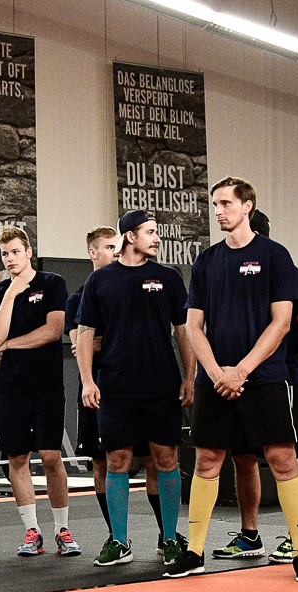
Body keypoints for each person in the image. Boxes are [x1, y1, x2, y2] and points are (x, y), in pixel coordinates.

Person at [172, 176, 298, 582]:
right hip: (215, 381)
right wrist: (218, 372)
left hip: (265, 376)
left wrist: (242, 371)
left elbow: (283, 322)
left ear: (247, 206)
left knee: (281, 458)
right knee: (207, 459)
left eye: (225, 204)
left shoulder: (274, 256)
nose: (218, 211)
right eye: (214, 204)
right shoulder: (206, 261)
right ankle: (195, 552)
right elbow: (193, 326)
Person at [76, 210, 194, 567]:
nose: (157, 239)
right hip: (116, 387)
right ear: (131, 237)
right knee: (117, 461)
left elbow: (184, 331)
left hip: (161, 385)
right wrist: (86, 380)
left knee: (166, 459)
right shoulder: (101, 281)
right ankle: (118, 541)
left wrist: (189, 377)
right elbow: (84, 334)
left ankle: (170, 539)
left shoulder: (168, 277)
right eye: (151, 233)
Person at [209, 210, 298, 563]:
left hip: (275, 376)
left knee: (282, 458)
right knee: (243, 457)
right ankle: (249, 535)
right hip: (233, 379)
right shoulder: (220, 269)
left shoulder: (281, 267)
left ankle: (295, 537)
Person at [0, 227, 76, 557]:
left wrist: (11, 345)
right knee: (17, 459)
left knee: (51, 457)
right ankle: (31, 531)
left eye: (15, 252)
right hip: (10, 389)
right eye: (5, 254)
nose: (10, 259)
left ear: (28, 252)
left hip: (46, 385)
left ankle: (62, 530)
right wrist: (11, 293)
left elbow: (53, 331)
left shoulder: (52, 284)